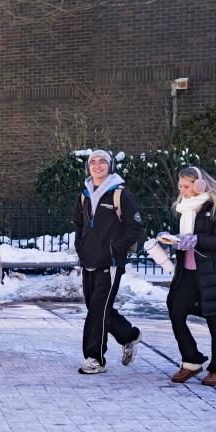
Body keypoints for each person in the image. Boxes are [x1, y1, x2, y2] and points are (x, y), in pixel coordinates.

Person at [163, 166, 216, 386]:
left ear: (199, 184)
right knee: (176, 312)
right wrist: (171, 240)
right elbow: (184, 239)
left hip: (211, 273)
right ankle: (191, 360)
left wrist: (195, 240)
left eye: (186, 186)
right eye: (180, 186)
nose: (183, 190)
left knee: (214, 321)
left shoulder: (215, 207)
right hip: (188, 272)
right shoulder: (185, 209)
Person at [74, 150, 144, 374]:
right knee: (95, 307)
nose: (97, 166)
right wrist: (80, 246)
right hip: (89, 260)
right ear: (88, 167)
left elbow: (134, 227)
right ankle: (128, 335)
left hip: (111, 262)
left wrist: (113, 249)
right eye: (92, 162)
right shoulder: (84, 195)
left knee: (97, 310)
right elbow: (79, 225)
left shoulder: (120, 193)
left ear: (110, 166)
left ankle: (95, 358)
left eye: (102, 162)